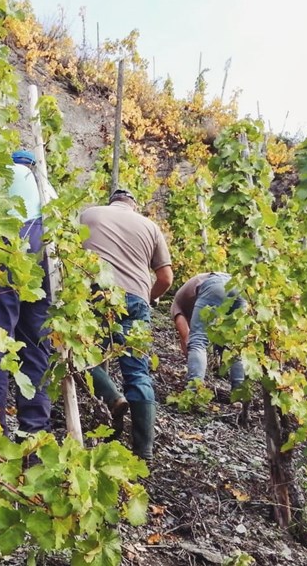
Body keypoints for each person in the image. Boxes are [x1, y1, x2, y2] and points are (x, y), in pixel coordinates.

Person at [81, 189, 172, 460]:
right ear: (133, 205)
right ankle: (144, 450)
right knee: (138, 372)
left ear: (111, 201)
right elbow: (166, 278)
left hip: (95, 293)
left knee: (79, 352)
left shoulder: (89, 214)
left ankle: (112, 396)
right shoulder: (151, 226)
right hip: (135, 299)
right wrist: (148, 299)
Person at [0, 149, 53, 435]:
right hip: (45, 253)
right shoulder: (46, 185)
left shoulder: (2, 170)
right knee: (35, 345)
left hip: (9, 244)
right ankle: (34, 430)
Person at [170, 272, 246, 386]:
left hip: (214, 285)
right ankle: (239, 394)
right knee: (236, 343)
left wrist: (191, 360)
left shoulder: (176, 306)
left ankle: (194, 389)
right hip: (239, 286)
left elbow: (186, 338)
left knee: (197, 340)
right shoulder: (189, 301)